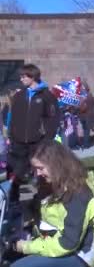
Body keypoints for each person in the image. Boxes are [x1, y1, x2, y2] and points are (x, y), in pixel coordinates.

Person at [8, 140, 94, 267]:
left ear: (56, 165)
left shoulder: (79, 194)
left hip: (78, 254)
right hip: (55, 243)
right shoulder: (53, 184)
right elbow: (41, 211)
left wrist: (26, 246)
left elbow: (67, 244)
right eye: (36, 169)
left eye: (41, 168)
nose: (37, 174)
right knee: (7, 252)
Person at [8, 64, 60, 203]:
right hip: (19, 142)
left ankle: (42, 199)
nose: (21, 78)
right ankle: (12, 199)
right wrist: (11, 137)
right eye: (21, 76)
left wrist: (47, 138)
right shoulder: (19, 96)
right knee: (15, 172)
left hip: (38, 142)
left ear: (33, 76)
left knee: (41, 172)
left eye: (24, 76)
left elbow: (53, 118)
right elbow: (13, 118)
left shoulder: (47, 96)